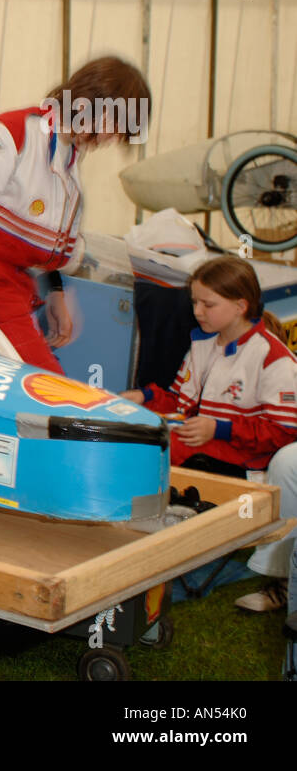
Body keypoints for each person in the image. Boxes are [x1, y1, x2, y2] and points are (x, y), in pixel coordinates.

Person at [0, 57, 151, 373]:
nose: (113, 141)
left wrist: (56, 293)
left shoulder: (69, 153)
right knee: (41, 389)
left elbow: (42, 235)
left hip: (13, 285)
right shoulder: (13, 134)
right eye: (116, 130)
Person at [120, 255, 297, 614]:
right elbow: (180, 402)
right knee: (139, 439)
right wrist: (144, 397)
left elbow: (283, 433)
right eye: (195, 302)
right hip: (206, 447)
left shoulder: (272, 358)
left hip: (247, 465)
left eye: (207, 304)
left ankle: (132, 559)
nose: (198, 311)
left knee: (153, 455)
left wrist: (219, 428)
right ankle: (131, 553)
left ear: (240, 305)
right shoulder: (204, 343)